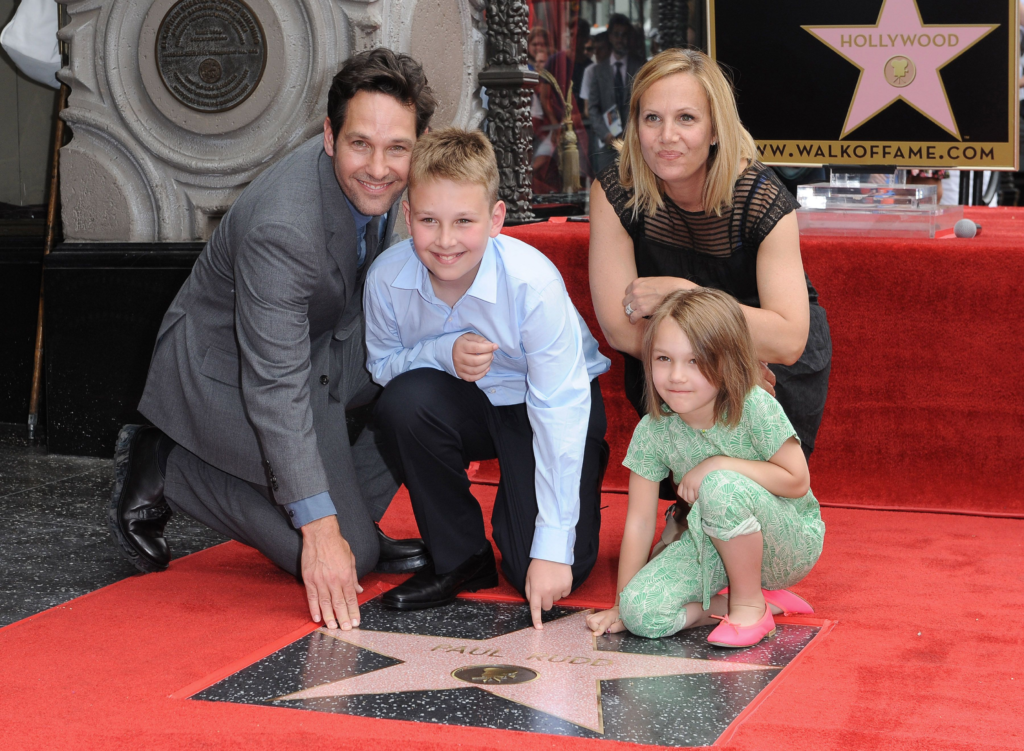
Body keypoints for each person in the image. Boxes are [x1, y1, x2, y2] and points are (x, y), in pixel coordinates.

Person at [110, 48, 436, 634]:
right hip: (230, 373)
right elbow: (274, 385)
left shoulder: (387, 180)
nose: (380, 168)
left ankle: (351, 516)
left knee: (430, 367)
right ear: (330, 136)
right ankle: (167, 466)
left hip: (319, 348)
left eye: (398, 149)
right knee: (351, 556)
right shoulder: (283, 227)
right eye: (361, 143)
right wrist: (320, 531)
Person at [363, 129, 611, 629]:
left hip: (546, 403)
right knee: (403, 403)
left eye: (464, 221)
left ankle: (583, 467)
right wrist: (441, 353)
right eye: (429, 221)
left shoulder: (531, 282)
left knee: (534, 571)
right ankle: (459, 557)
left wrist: (553, 546)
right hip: (466, 401)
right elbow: (382, 364)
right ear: (407, 216)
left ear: (496, 220)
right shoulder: (386, 278)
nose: (446, 240)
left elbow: (559, 406)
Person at [589, 49, 832, 474]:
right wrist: (715, 358)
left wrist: (688, 297)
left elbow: (790, 338)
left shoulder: (760, 196)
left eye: (686, 118)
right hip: (677, 363)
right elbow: (619, 327)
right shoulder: (616, 191)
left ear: (716, 129)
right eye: (652, 119)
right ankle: (685, 501)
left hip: (768, 368)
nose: (666, 136)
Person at [586, 289, 824, 647]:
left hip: (785, 542)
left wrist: (718, 463)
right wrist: (621, 603)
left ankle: (749, 607)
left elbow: (796, 481)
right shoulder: (652, 430)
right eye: (663, 358)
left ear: (729, 360)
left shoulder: (754, 406)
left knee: (720, 484)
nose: (676, 376)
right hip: (708, 539)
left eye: (695, 361)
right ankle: (735, 603)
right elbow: (638, 520)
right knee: (641, 613)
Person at [587, 14, 644, 174]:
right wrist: (605, 134)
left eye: (624, 35)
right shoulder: (599, 70)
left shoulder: (640, 66)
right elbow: (592, 108)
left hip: (635, 142)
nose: (620, 39)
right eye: (616, 34)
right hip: (607, 143)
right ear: (610, 37)